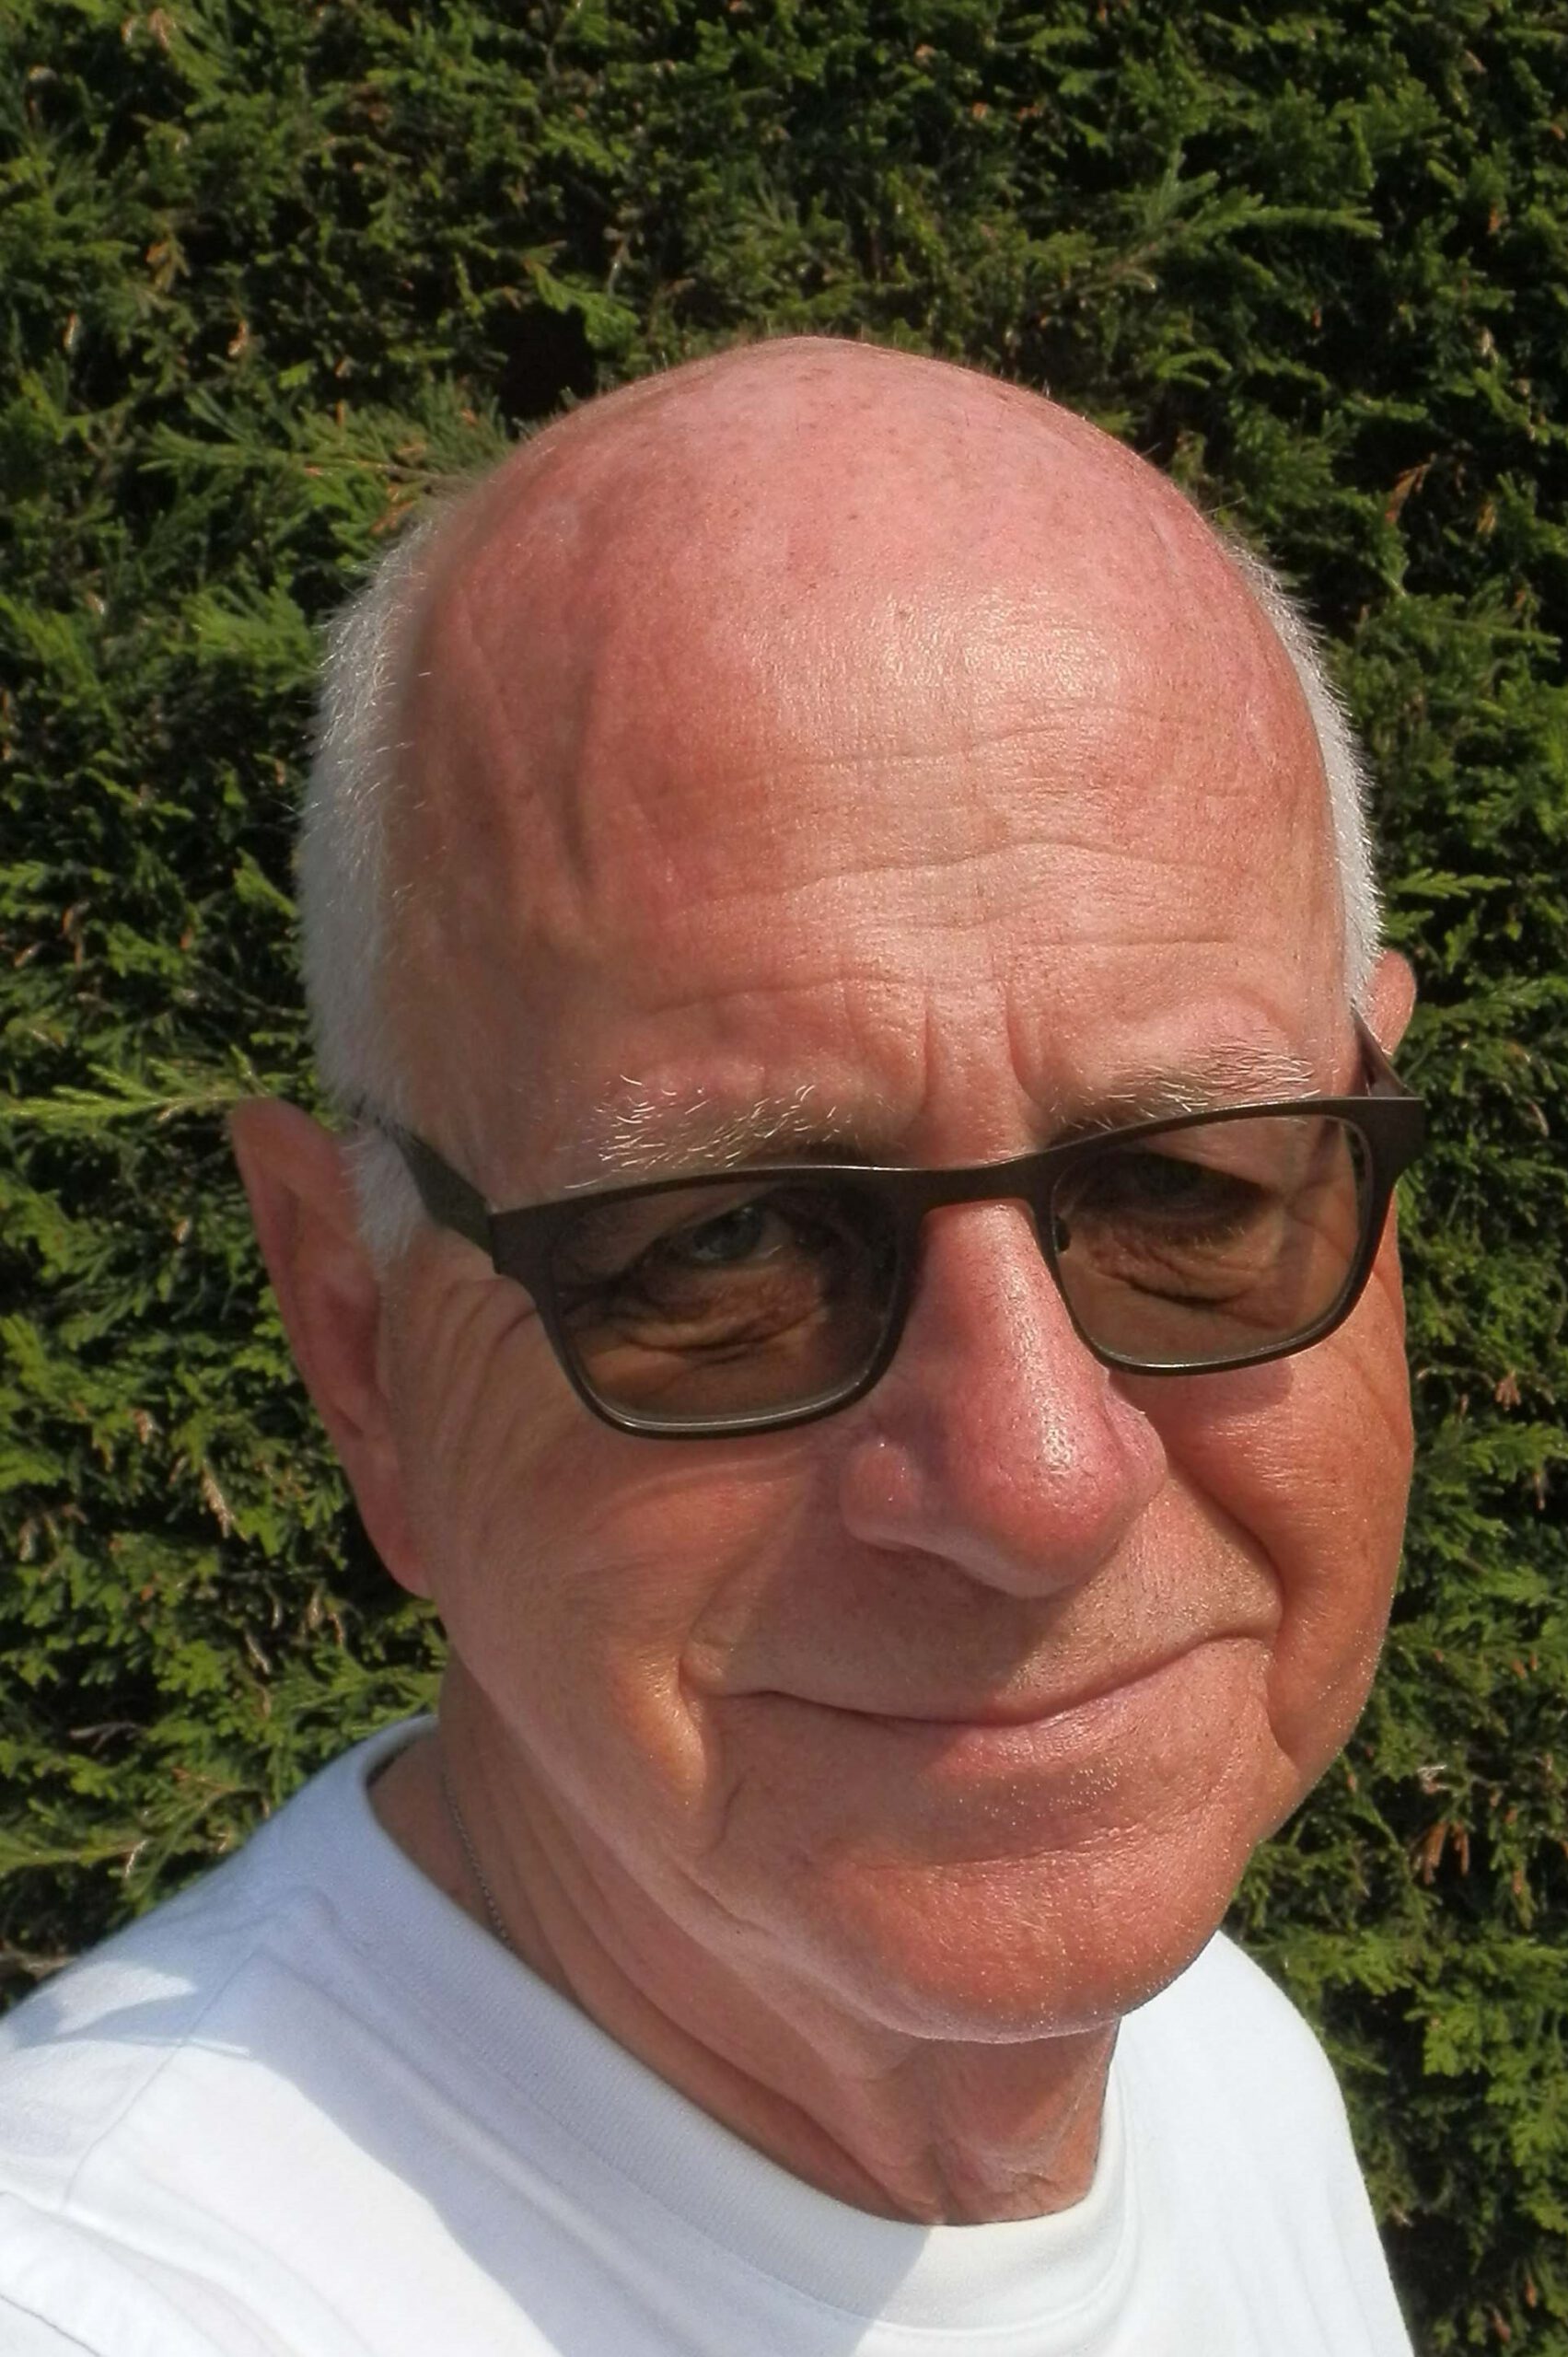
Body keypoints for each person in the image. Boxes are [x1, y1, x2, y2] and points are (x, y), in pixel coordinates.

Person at [0, 337, 1423, 2353]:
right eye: (729, 1240)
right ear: (357, 1340)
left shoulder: (1222, 2066)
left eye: (1186, 1186)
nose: (1036, 1481)